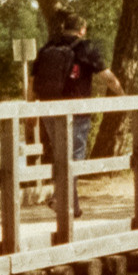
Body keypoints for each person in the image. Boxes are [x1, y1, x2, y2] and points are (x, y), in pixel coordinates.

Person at [33, 11, 105, 162]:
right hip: (77, 110)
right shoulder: (85, 48)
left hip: (49, 108)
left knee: (60, 153)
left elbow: (32, 81)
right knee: (76, 155)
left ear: (64, 28)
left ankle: (62, 178)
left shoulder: (47, 48)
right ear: (82, 30)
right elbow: (108, 78)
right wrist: (123, 95)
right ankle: (72, 179)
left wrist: (31, 109)